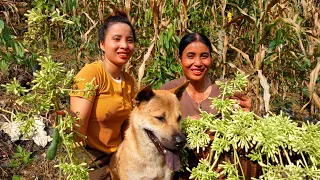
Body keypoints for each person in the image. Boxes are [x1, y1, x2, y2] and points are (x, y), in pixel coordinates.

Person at [160, 32, 252, 179]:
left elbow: (244, 136)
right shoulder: (168, 92)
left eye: (204, 56)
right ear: (180, 59)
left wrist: (248, 115)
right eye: (190, 56)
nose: (198, 63)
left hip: (222, 172)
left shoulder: (225, 91)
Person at [68, 10, 136, 179]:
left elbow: (127, 125)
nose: (124, 46)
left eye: (129, 40)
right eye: (116, 39)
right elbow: (78, 127)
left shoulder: (129, 81)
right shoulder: (91, 74)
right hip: (89, 156)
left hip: (117, 156)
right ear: (102, 44)